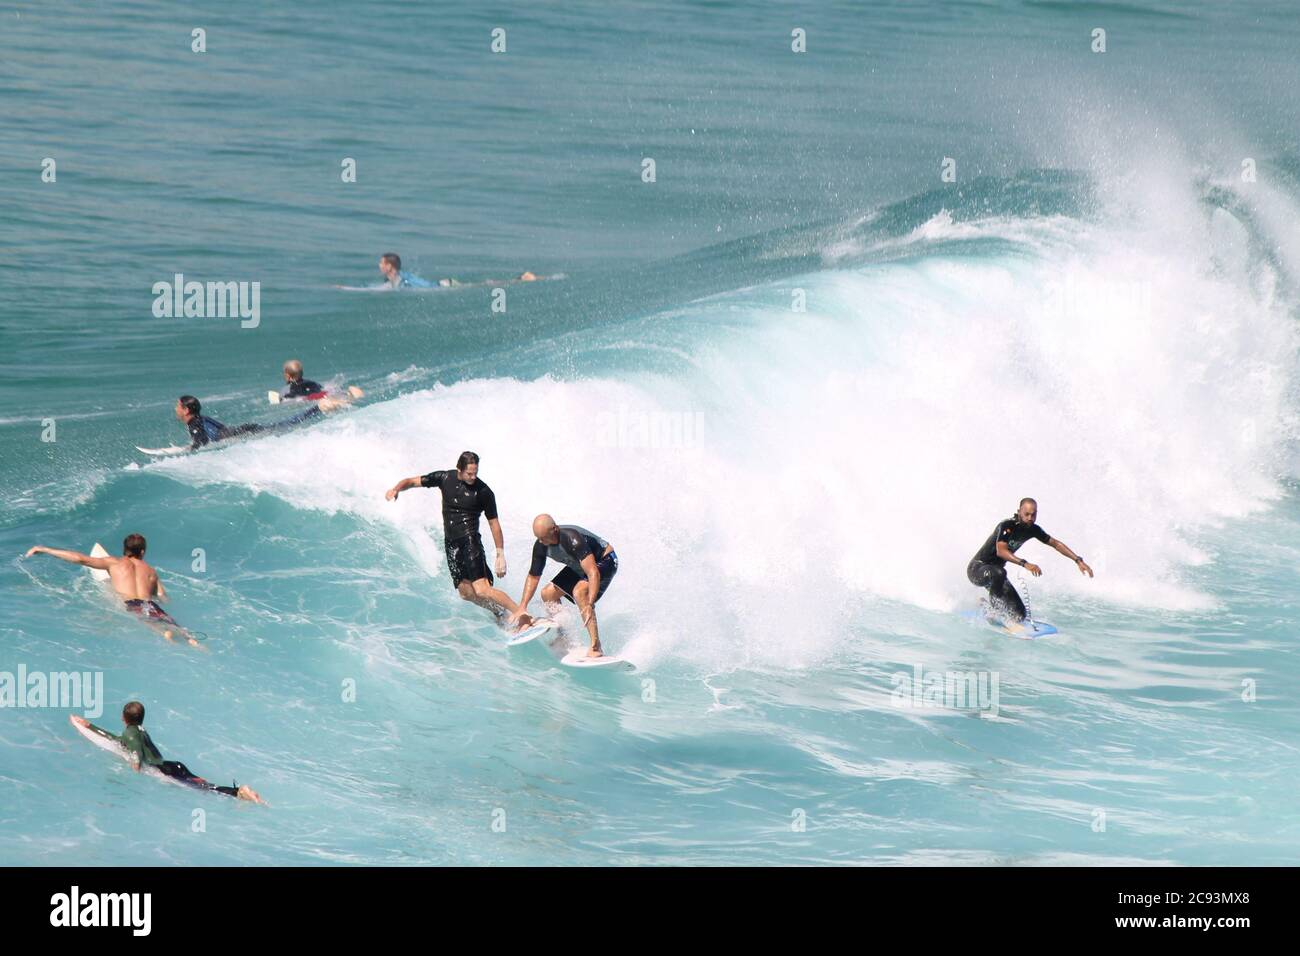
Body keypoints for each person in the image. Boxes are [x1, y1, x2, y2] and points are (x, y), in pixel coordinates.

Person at [385, 451, 531, 627]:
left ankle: (521, 614)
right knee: (466, 593)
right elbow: (411, 481)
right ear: (459, 469)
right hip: (451, 544)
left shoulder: (484, 492)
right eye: (469, 473)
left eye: (475, 472)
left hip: (470, 542)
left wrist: (500, 554)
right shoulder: (445, 478)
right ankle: (499, 611)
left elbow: (494, 524)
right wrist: (396, 489)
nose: (473, 477)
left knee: (482, 589)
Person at [23, 534, 200, 647]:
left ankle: (166, 635)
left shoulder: (114, 562)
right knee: (179, 630)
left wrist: (45, 549)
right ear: (143, 551)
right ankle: (192, 641)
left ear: (125, 549)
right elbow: (162, 597)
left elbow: (79, 559)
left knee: (157, 629)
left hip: (132, 604)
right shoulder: (151, 571)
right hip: (151, 605)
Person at [72, 702, 264, 803]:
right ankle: (238, 792)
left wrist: (135, 770)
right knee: (204, 784)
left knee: (205, 791)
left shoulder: (130, 734)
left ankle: (238, 792)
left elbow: (135, 753)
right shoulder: (140, 730)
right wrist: (90, 725)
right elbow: (122, 741)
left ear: (123, 718)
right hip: (174, 766)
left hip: (165, 771)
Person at [967, 498, 1093, 622]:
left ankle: (983, 604)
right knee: (999, 572)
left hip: (996, 576)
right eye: (1026, 514)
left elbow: (1055, 544)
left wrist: (1078, 560)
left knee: (1020, 615)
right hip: (977, 569)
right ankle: (994, 612)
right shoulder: (1006, 526)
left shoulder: (1033, 529)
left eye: (1033, 515)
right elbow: (1001, 551)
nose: (1029, 518)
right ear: (1019, 511)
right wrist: (1025, 564)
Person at [509, 515, 617, 658]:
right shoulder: (541, 545)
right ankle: (563, 636)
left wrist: (590, 604)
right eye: (538, 538)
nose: (541, 542)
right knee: (547, 594)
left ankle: (596, 647)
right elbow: (533, 576)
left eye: (543, 537)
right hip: (579, 566)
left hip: (604, 561)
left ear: (555, 530)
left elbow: (593, 573)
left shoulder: (573, 540)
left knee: (579, 591)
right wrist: (523, 606)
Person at [175, 394, 322, 450]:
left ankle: (319, 408)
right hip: (243, 430)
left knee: (285, 425)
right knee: (284, 424)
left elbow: (203, 442)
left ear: (186, 410)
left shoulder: (194, 424)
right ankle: (317, 408)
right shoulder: (203, 418)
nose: (176, 409)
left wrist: (191, 449)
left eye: (178, 406)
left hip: (242, 432)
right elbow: (221, 429)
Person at [278, 359, 364, 405]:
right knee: (329, 395)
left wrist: (280, 400)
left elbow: (285, 399)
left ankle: (340, 402)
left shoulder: (288, 389)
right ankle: (349, 396)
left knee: (325, 401)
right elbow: (320, 388)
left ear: (287, 376)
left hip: (308, 398)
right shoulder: (311, 382)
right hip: (322, 393)